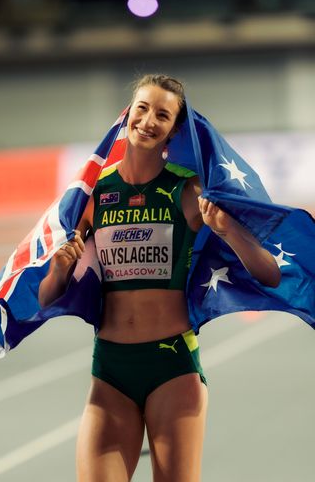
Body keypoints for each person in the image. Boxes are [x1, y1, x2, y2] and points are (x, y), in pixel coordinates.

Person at [38, 73, 281, 482]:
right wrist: (59, 268)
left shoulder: (188, 192)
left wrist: (227, 229)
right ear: (127, 115)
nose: (149, 121)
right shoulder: (94, 194)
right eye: (143, 109)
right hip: (110, 369)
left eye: (163, 115)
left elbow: (269, 274)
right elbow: (47, 297)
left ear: (174, 129)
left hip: (173, 366)